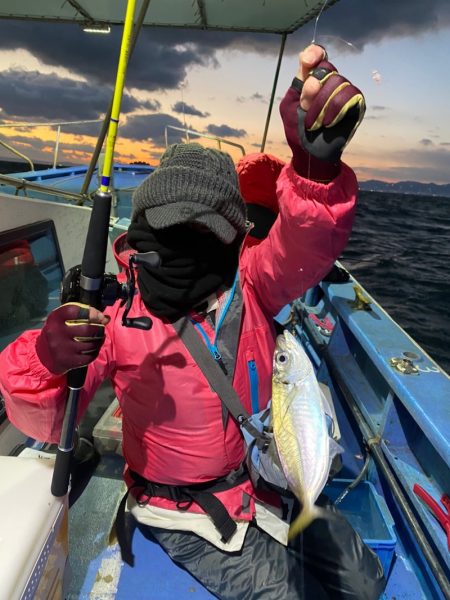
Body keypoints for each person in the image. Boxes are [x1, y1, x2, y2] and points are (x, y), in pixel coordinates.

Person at [0, 45, 385, 599]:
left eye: (207, 234)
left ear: (233, 237)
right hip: (184, 514)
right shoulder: (116, 317)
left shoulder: (251, 282)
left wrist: (314, 171)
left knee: (366, 584)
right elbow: (48, 423)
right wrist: (43, 361)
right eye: (173, 231)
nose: (189, 249)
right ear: (144, 232)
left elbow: (306, 244)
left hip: (267, 482)